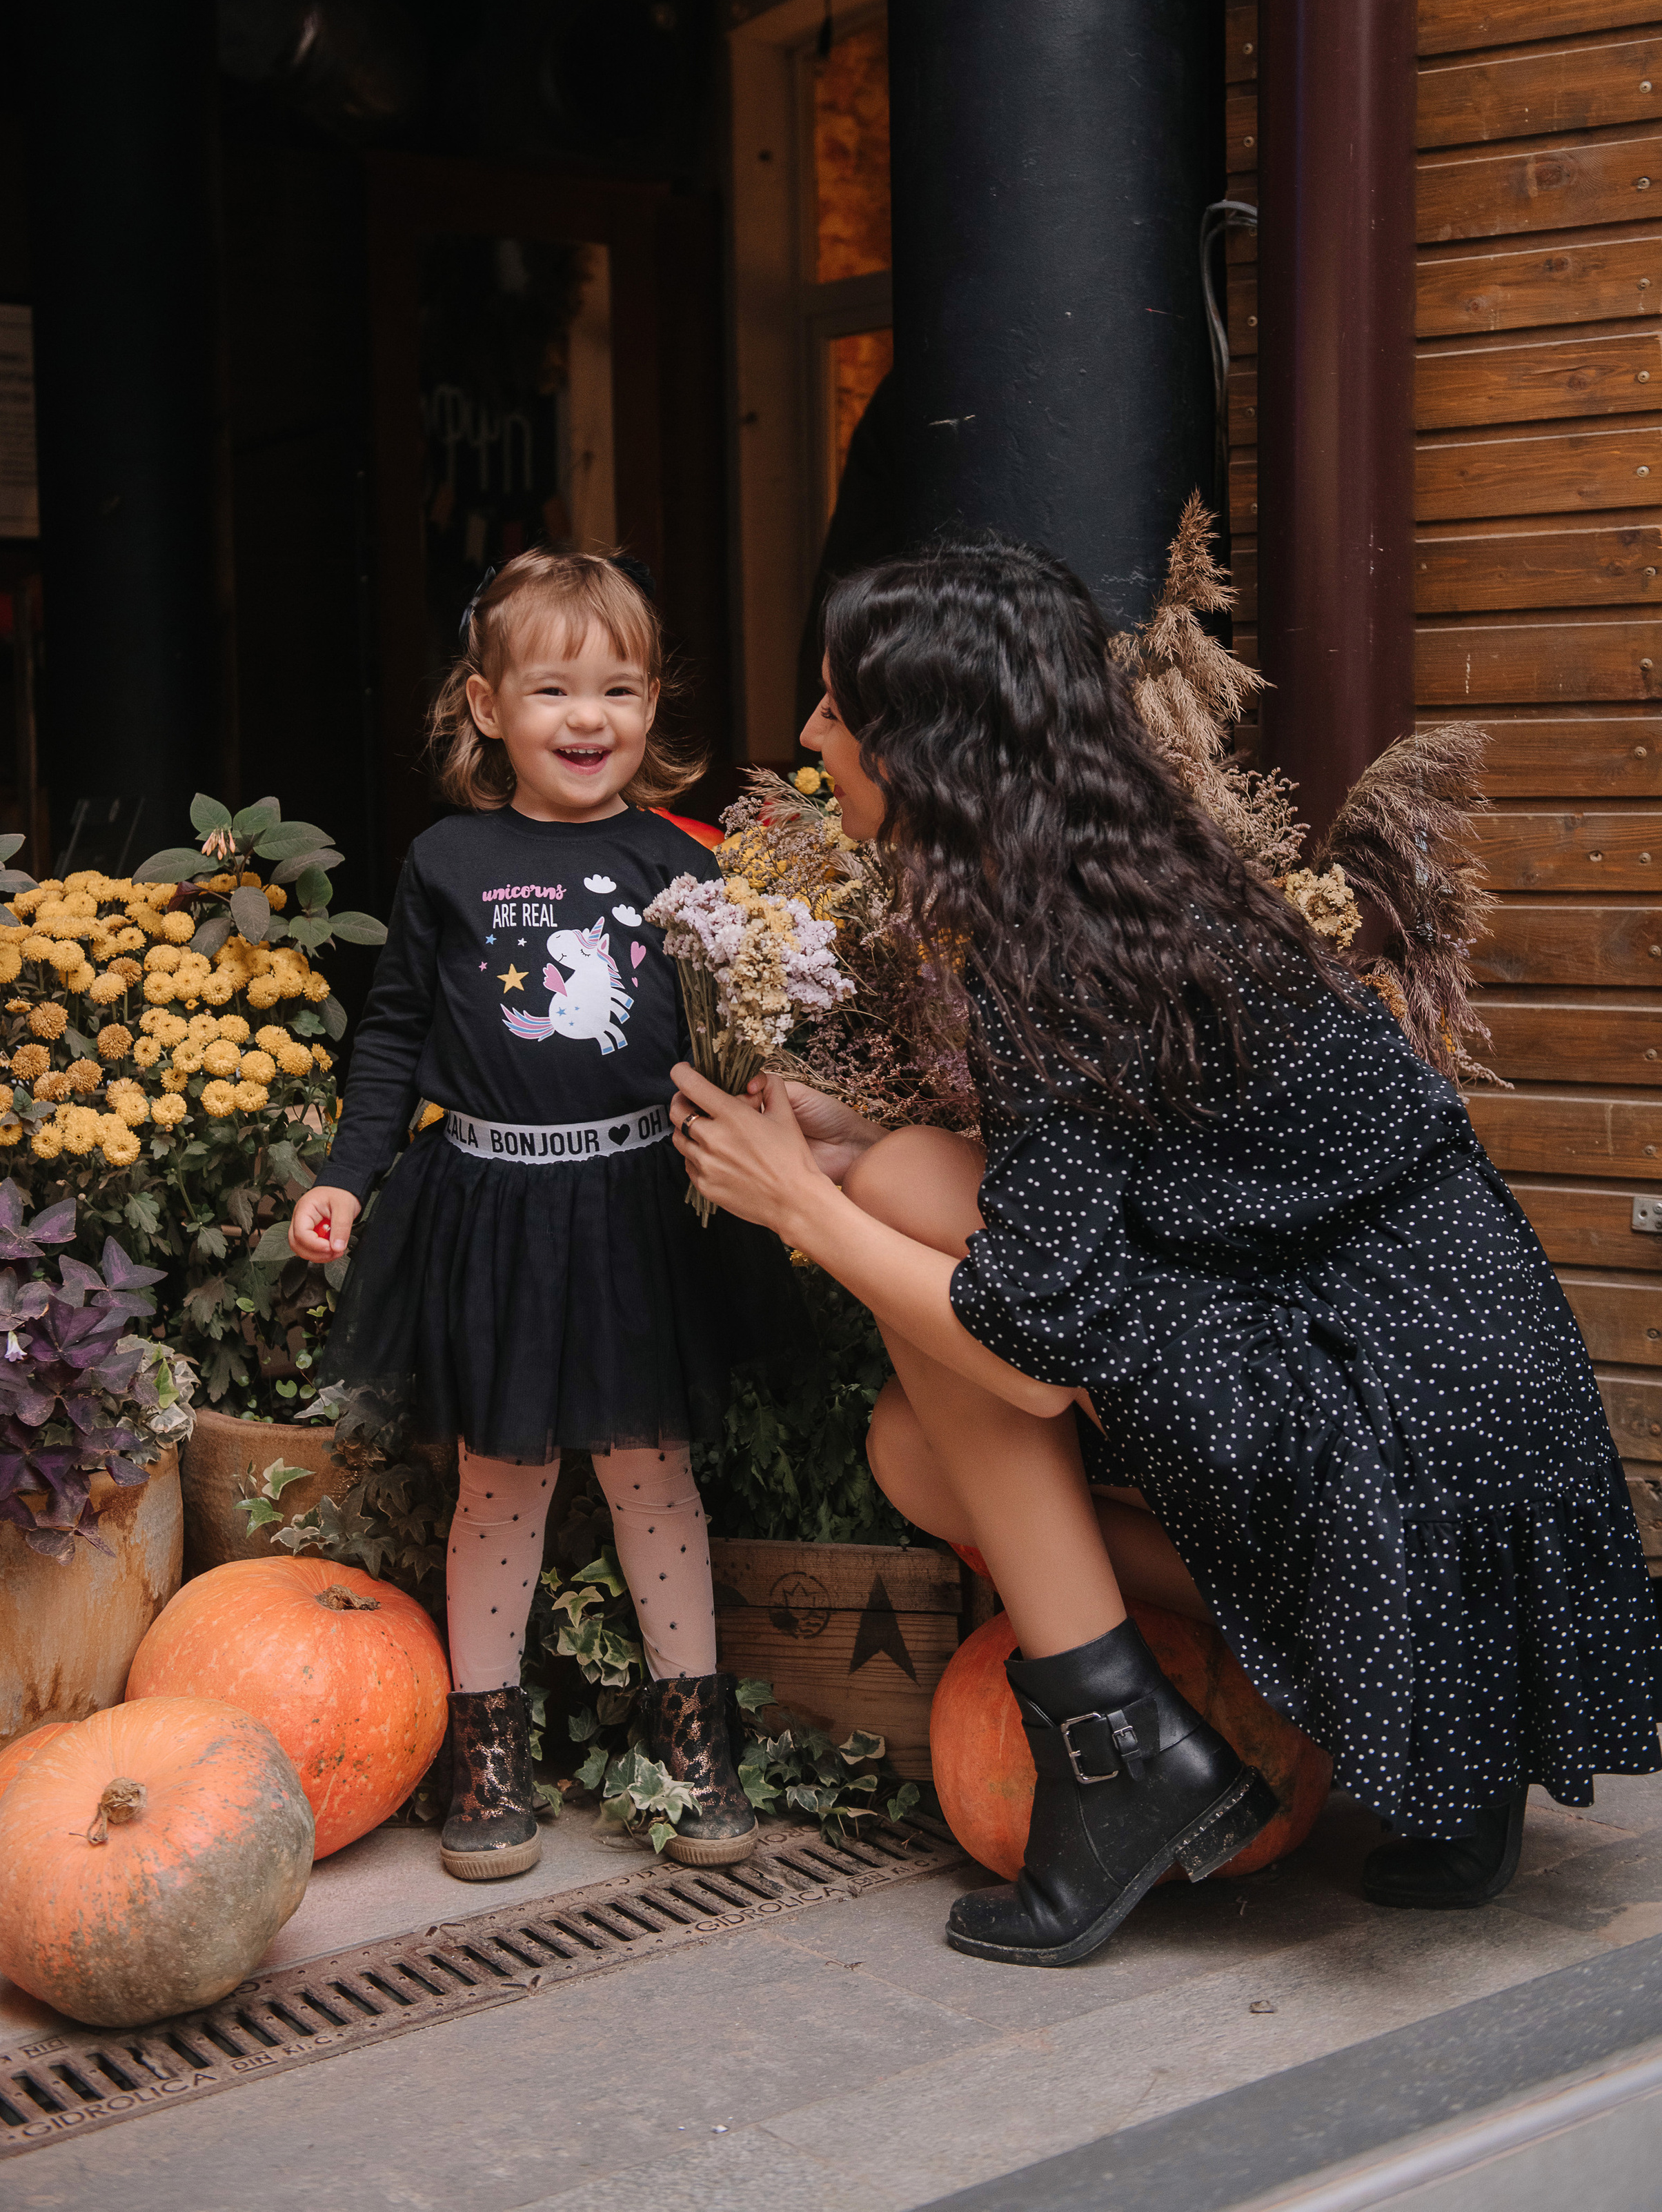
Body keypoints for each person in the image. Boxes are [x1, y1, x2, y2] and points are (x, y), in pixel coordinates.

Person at [668, 539, 1662, 1971]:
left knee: (904, 1256)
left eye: (835, 707)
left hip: (1380, 1389)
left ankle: (1115, 1746)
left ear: (928, 744)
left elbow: (1027, 1343)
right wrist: (834, 1132)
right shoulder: (1108, 880)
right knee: (910, 1435)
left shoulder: (1050, 941)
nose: (810, 736)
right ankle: (1441, 1677)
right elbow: (1120, 1167)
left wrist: (803, 1208)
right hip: (1442, 1381)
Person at [290, 547, 792, 1883]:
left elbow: (746, 1022)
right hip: (491, 1207)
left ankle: (697, 1748)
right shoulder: (448, 860)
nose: (589, 718)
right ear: (484, 705)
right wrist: (346, 1172)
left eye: (619, 689)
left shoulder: (681, 858)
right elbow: (394, 1032)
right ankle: (487, 1754)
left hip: (635, 1200)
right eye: (555, 689)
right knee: (499, 1484)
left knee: (651, 1471)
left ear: (650, 705)